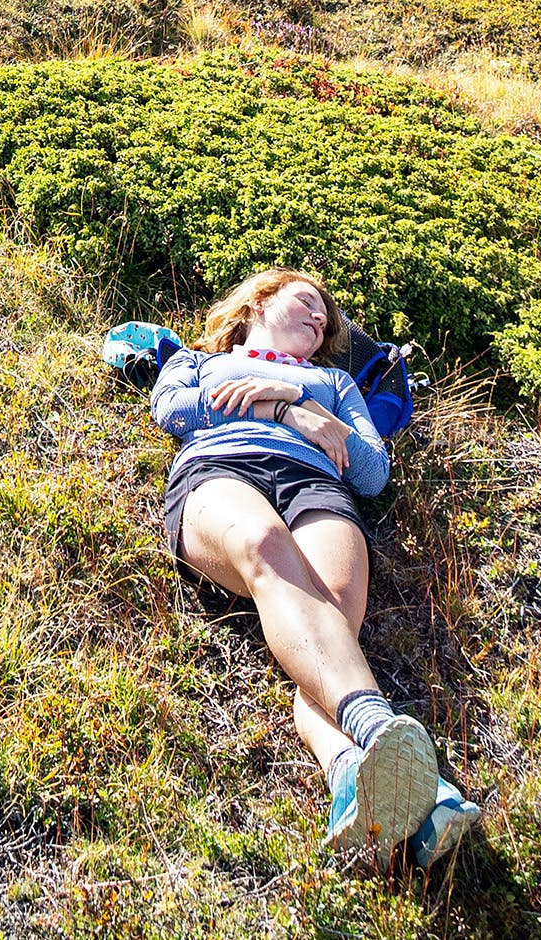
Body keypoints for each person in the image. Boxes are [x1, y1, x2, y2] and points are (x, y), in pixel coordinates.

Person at [151, 267, 480, 868]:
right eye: (307, 301)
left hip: (316, 487)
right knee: (264, 544)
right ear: (258, 301)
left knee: (333, 632)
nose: (320, 318)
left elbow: (372, 473)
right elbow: (171, 410)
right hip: (221, 469)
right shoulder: (200, 361)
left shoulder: (334, 380)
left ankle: (353, 775)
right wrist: (289, 411)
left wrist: (316, 411)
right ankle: (398, 753)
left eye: (325, 319)